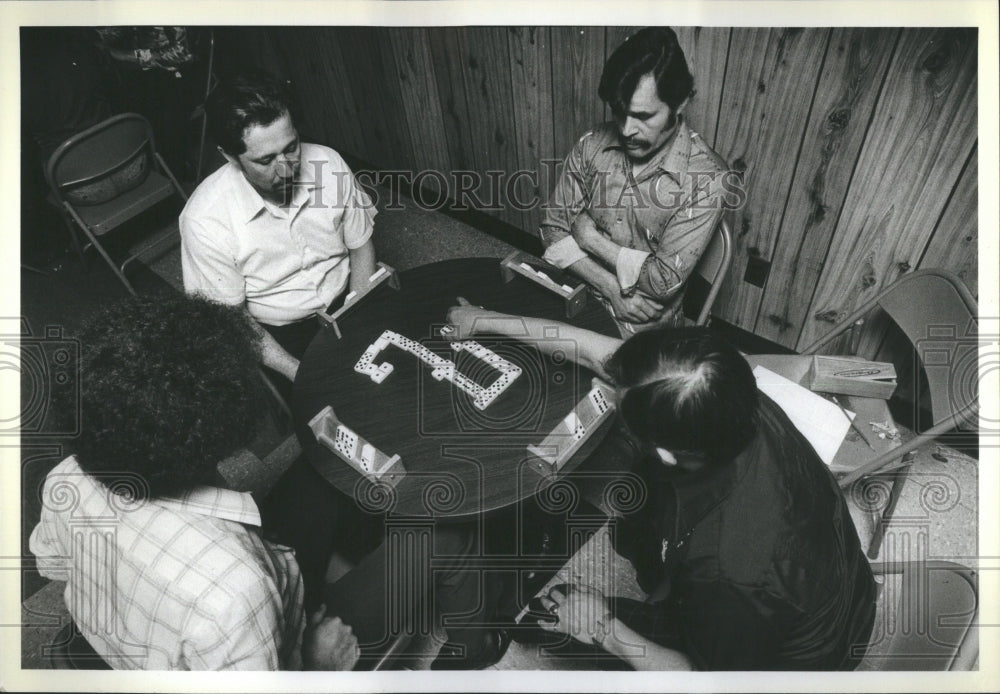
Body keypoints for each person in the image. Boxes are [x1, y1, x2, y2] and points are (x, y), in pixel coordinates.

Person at [29, 295, 505, 670]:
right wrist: (319, 664)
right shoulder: (234, 593)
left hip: (159, 629)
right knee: (451, 534)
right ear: (219, 428)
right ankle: (475, 649)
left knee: (318, 463)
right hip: (292, 651)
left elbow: (54, 564)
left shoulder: (64, 478)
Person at [443, 298, 877, 670]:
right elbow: (600, 357)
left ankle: (657, 609)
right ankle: (660, 589)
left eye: (620, 408)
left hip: (789, 657)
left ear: (670, 452)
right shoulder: (720, 392)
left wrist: (603, 628)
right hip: (819, 572)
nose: (607, 392)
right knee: (631, 514)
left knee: (550, 619)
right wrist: (483, 319)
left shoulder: (736, 569)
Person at [180, 70, 378, 385]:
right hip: (280, 333)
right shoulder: (203, 220)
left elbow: (360, 244)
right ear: (230, 157)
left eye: (291, 147)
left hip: (349, 295)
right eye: (265, 160)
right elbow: (233, 320)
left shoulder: (329, 162)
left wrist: (361, 317)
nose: (286, 169)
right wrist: (301, 374)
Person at [540, 27, 731, 335]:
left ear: (680, 103)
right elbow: (551, 228)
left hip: (638, 322)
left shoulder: (707, 180)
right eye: (619, 111)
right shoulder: (593, 143)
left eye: (643, 116)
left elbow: (661, 282)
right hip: (577, 285)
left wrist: (590, 239)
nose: (627, 129)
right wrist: (612, 288)